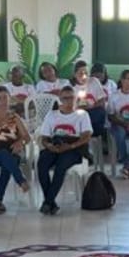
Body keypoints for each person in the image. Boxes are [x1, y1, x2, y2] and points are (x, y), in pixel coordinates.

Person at [37, 85, 93, 214]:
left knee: (61, 167)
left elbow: (86, 136)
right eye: (65, 98)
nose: (68, 101)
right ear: (60, 100)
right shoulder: (52, 114)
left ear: (75, 99)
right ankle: (51, 202)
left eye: (71, 98)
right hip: (55, 145)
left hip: (74, 147)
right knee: (42, 164)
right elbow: (44, 137)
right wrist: (49, 146)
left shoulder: (82, 114)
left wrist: (71, 146)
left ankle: (47, 202)